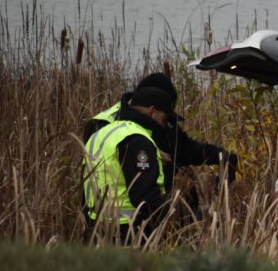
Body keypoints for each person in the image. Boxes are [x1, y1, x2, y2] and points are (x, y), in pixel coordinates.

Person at [84, 72, 238, 191]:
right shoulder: (104, 124)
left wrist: (222, 156)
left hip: (162, 209)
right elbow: (96, 172)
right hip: (124, 218)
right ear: (153, 109)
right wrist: (155, 154)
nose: (165, 123)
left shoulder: (161, 120)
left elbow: (185, 149)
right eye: (165, 115)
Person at [82, 87, 177, 241]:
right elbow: (144, 197)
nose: (163, 125)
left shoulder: (104, 133)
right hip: (129, 233)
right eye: (164, 119)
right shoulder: (138, 141)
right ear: (152, 111)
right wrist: (177, 212)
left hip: (97, 227)